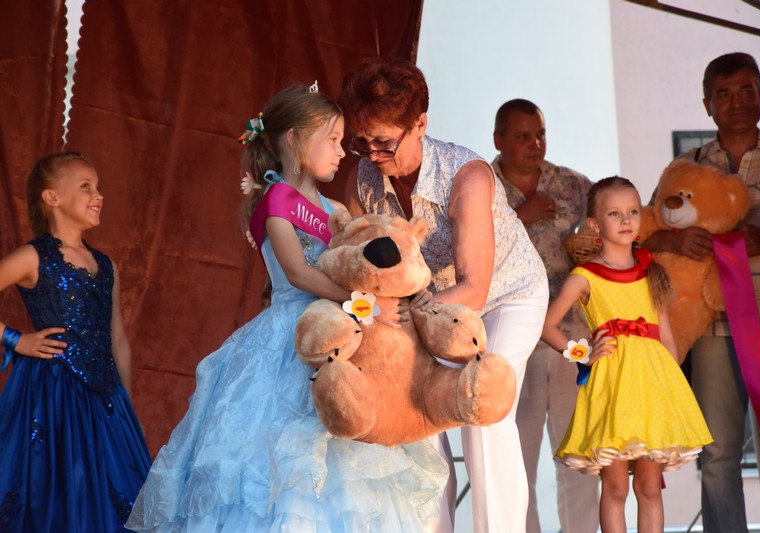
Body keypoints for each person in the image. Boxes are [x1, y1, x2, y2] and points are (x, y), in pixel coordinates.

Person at [125, 85, 448, 532]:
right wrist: (366, 306)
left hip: (342, 334)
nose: (342, 152)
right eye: (332, 140)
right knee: (282, 462)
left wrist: (394, 297)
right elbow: (298, 273)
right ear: (295, 140)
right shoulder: (275, 200)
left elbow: (359, 269)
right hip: (290, 337)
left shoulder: (337, 208)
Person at [340, 58, 549, 533]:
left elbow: (474, 287)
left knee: (481, 405)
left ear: (420, 124)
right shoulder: (364, 177)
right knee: (418, 409)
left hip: (505, 297)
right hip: (424, 307)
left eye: (383, 141)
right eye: (362, 141)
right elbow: (356, 262)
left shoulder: (466, 176)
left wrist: (403, 311)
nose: (371, 154)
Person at [643, 52, 760, 532]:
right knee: (717, 454)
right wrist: (671, 241)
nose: (737, 102)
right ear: (707, 105)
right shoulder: (685, 167)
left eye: (747, 90)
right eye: (725, 94)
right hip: (713, 328)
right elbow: (642, 230)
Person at [541, 176, 713, 533]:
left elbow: (667, 338)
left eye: (633, 212)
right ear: (594, 224)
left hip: (652, 392)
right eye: (614, 213)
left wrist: (671, 391)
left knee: (649, 487)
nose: (626, 220)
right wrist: (581, 354)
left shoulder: (651, 272)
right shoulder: (584, 276)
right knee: (616, 487)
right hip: (612, 391)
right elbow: (546, 325)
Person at [0, 152, 151, 532]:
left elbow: (118, 338)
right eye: (86, 186)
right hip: (51, 397)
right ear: (52, 197)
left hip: (105, 400)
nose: (98, 195)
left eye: (98, 187)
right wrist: (15, 339)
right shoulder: (33, 257)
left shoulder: (106, 265)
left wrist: (125, 408)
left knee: (113, 496)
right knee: (58, 492)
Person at [492, 98, 600, 533]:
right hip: (512, 342)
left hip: (573, 338)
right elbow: (466, 252)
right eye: (523, 137)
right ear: (499, 140)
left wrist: (589, 243)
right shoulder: (481, 187)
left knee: (578, 456)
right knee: (516, 460)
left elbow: (610, 228)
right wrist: (519, 217)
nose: (535, 144)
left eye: (540, 134)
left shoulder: (573, 184)